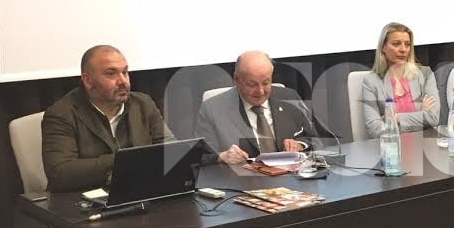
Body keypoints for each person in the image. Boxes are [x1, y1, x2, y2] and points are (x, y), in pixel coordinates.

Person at [41, 45, 172, 192]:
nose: (123, 81)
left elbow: (171, 150)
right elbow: (60, 173)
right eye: (111, 74)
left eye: (125, 72)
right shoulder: (61, 114)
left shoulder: (143, 104)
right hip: (82, 199)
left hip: (137, 192)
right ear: (88, 81)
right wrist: (125, 160)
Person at [196, 51, 314, 164]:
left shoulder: (289, 96)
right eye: (252, 85)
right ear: (236, 79)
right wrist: (222, 157)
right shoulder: (212, 108)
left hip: (290, 174)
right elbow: (201, 156)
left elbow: (316, 137)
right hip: (242, 176)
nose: (260, 91)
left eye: (266, 83)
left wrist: (299, 144)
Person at [359, 22, 440, 138]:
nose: (403, 49)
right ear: (383, 47)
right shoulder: (371, 81)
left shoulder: (425, 74)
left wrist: (395, 118)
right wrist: (420, 116)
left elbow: (433, 118)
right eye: (396, 44)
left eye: (407, 44)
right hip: (391, 144)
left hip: (424, 142)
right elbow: (374, 129)